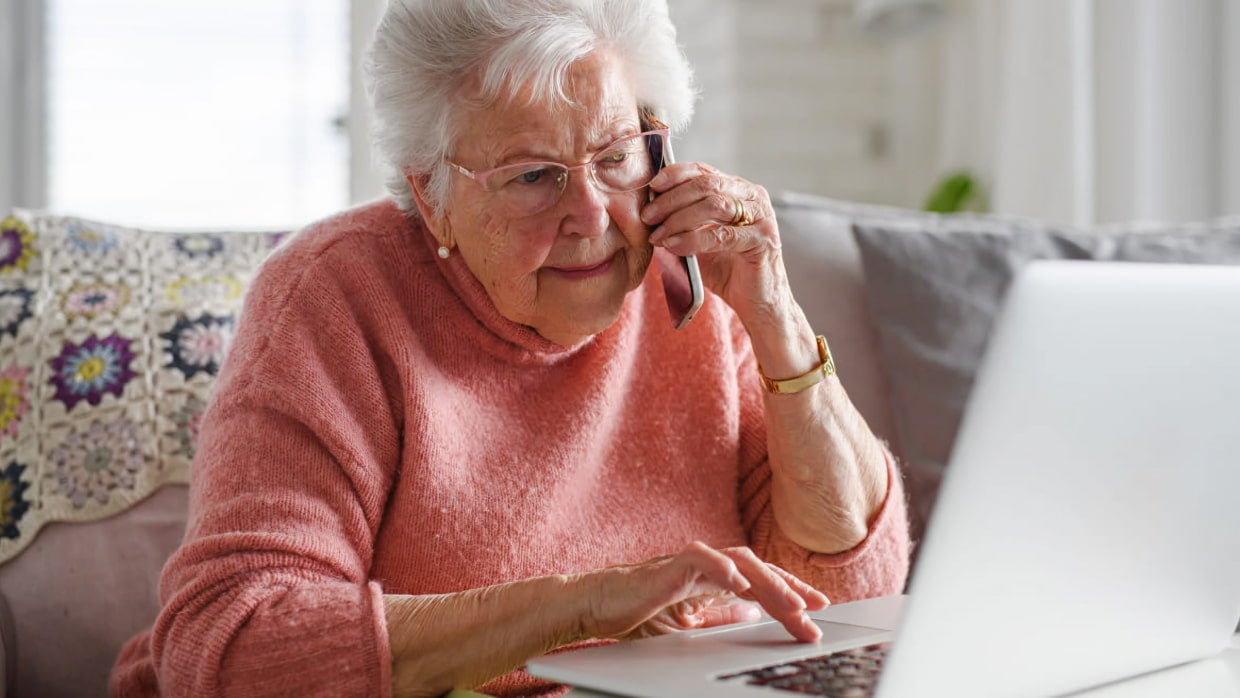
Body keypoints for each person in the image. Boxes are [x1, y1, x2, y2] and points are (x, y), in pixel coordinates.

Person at [111, 0, 910, 695]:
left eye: (614, 156)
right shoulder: (335, 300)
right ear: (432, 194)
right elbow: (234, 649)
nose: (592, 215)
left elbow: (847, 594)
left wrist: (774, 316)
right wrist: (580, 607)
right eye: (534, 176)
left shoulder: (695, 282)